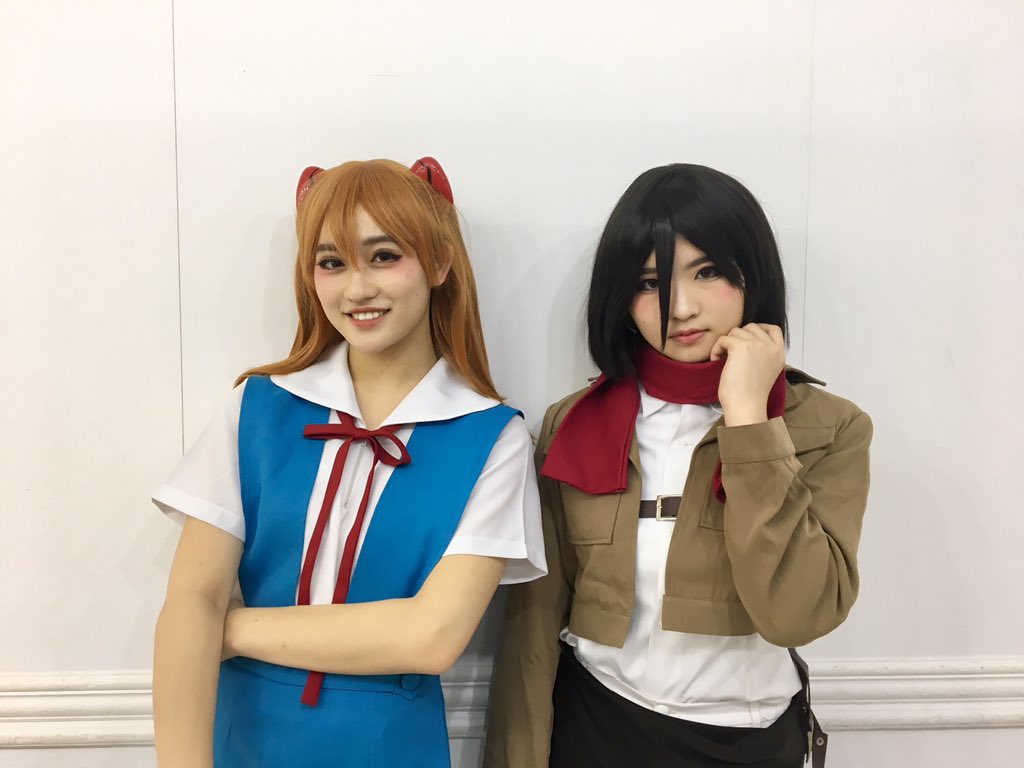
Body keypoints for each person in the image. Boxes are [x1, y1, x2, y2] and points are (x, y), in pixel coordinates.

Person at [152, 157, 545, 768]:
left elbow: (431, 637)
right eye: (332, 262)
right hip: (241, 741)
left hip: (392, 748)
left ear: (440, 262)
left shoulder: (492, 437)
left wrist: (227, 629)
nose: (357, 290)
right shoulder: (256, 408)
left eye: (384, 256)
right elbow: (191, 597)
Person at [484, 163, 872, 768]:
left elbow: (798, 615)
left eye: (707, 271)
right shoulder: (575, 423)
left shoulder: (831, 428)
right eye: (649, 283)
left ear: (751, 274)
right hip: (596, 725)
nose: (681, 307)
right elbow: (532, 627)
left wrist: (749, 419)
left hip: (747, 741)